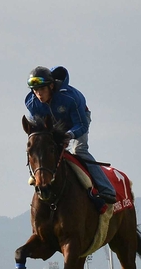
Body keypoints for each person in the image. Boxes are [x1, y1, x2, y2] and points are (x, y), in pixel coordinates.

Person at [25, 66, 117, 204]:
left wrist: (68, 135)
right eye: (35, 90)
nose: (39, 94)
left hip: (78, 121)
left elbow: (82, 125)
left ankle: (106, 189)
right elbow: (37, 129)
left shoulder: (70, 98)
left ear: (51, 86)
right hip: (54, 125)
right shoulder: (32, 103)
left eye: (42, 89)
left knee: (78, 150)